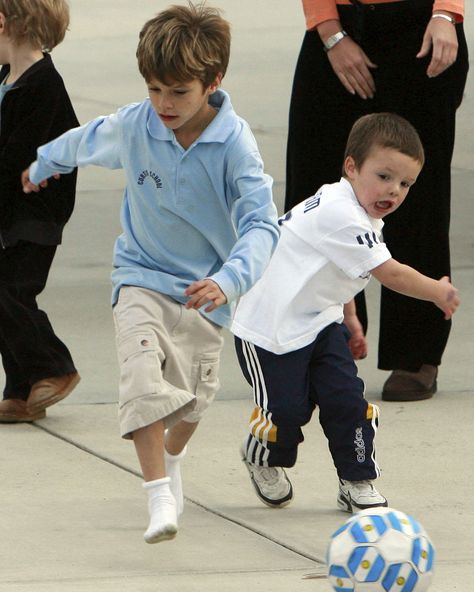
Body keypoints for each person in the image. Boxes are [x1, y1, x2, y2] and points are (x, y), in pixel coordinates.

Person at [22, 3, 279, 543]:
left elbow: (262, 226)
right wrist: (44, 163)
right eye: (155, 89)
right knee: (142, 378)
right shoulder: (138, 124)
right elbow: (87, 139)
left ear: (213, 82)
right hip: (139, 274)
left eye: (179, 92)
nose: (164, 104)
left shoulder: (234, 145)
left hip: (204, 292)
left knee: (190, 403)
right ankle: (158, 494)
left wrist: (229, 280)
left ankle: (172, 460)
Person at [232, 113, 460, 512]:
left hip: (320, 321)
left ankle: (356, 479)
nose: (394, 190)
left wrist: (349, 316)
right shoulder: (340, 213)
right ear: (351, 167)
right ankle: (261, 456)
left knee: (347, 401)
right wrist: (437, 291)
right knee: (287, 411)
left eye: (405, 183)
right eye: (384, 176)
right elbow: (391, 273)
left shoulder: (359, 212)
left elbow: (337, 267)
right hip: (269, 330)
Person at [285, 0, 468, 401]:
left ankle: (415, 353)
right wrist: (330, 31)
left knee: (415, 193)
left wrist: (446, 14)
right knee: (314, 189)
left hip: (423, 27)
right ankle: (318, 343)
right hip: (337, 25)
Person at [0, 0, 80, 424]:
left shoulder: (42, 85)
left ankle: (53, 367)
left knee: (11, 292)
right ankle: (21, 390)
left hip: (37, 214)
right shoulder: (8, 78)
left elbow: (15, 158)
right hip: (13, 213)